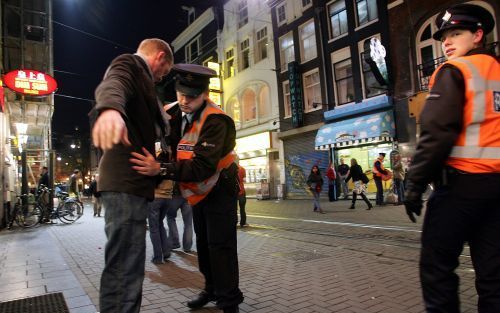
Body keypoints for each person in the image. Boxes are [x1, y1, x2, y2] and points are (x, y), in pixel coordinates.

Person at [403, 4, 500, 312]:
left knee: (437, 266)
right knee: (494, 274)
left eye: (456, 34)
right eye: (444, 37)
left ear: (478, 35)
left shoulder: (455, 71)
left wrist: (414, 184)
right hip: (497, 189)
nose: (446, 42)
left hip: (461, 186)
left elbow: (436, 132)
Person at [129, 63, 243, 313]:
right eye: (181, 94)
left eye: (192, 96)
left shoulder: (216, 121)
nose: (184, 101)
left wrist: (160, 169)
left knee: (221, 245)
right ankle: (211, 289)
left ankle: (229, 301)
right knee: (203, 243)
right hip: (197, 191)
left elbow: (201, 167)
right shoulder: (172, 112)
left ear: (205, 94)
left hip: (220, 186)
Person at [91, 38, 173, 313]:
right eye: (163, 72)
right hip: (125, 184)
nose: (161, 78)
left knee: (130, 266)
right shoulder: (132, 64)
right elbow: (115, 81)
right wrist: (111, 110)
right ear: (160, 57)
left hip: (132, 186)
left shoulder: (146, 87)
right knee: (125, 267)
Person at [166, 184, 193, 252]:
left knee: (170, 217)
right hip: (188, 194)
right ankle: (187, 247)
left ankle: (174, 242)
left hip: (175, 194)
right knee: (188, 223)